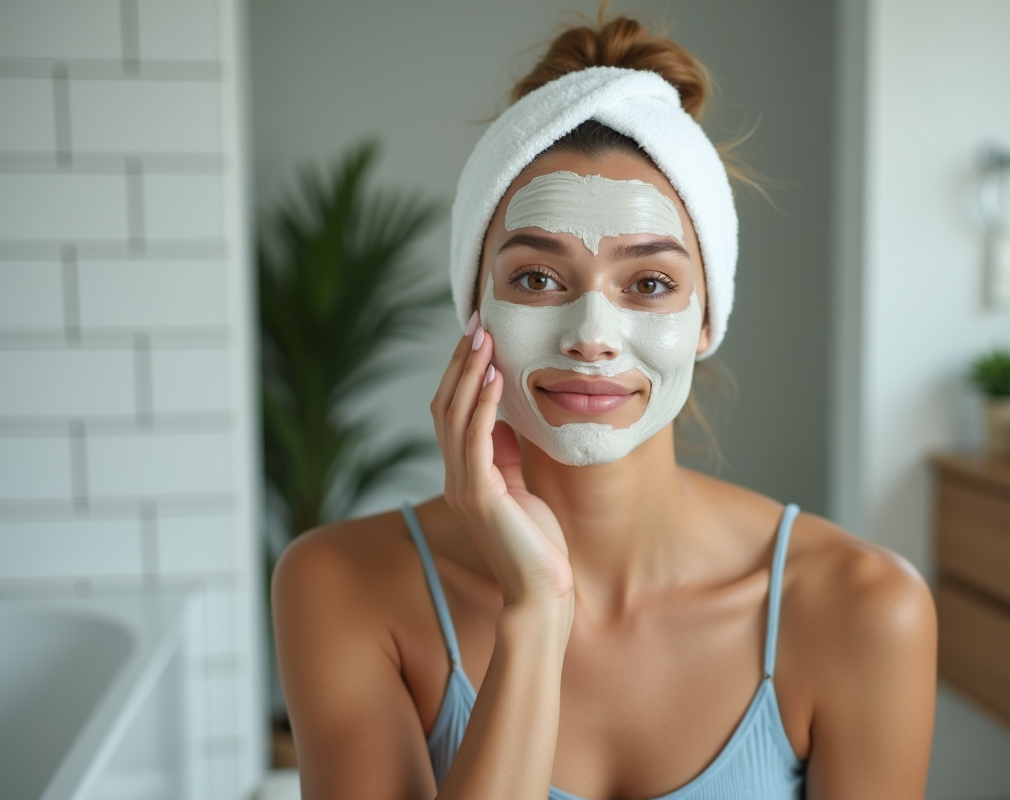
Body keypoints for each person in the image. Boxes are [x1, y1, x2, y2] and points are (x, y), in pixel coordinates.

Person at [272, 12, 937, 800]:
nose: (592, 336)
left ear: (706, 320)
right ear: (474, 308)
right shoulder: (341, 585)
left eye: (650, 283)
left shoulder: (862, 609)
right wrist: (536, 614)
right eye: (536, 278)